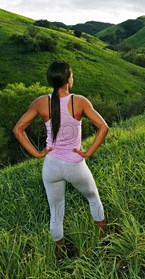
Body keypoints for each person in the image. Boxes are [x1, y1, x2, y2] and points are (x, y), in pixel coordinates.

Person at [13, 61, 110, 257]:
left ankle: (61, 253)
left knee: (56, 212)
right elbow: (104, 127)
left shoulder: (41, 102)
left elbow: (18, 129)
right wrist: (88, 152)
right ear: (68, 80)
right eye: (72, 75)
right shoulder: (80, 101)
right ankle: (104, 241)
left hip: (51, 166)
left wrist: (37, 153)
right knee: (93, 199)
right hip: (75, 164)